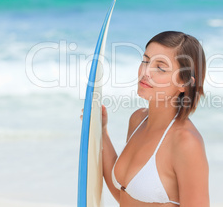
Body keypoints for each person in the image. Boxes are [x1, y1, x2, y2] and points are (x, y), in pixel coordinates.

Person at [81, 31, 209, 206]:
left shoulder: (185, 142)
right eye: (145, 60)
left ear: (184, 83)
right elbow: (124, 194)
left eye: (161, 67)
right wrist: (102, 131)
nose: (146, 72)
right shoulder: (138, 119)